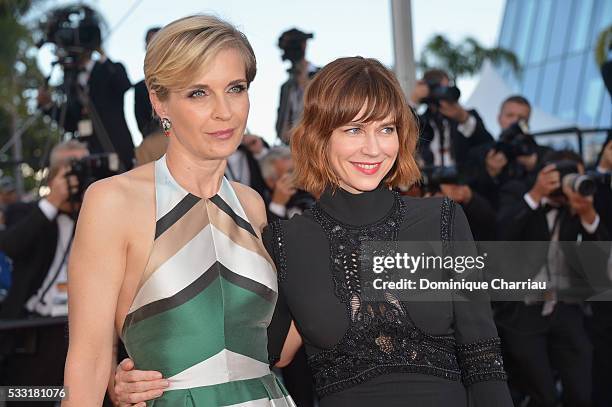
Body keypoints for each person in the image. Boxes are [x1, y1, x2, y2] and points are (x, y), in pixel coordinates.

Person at [116, 57, 511, 407]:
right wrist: (136, 377)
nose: (373, 149)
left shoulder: (441, 218)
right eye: (354, 130)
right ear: (320, 137)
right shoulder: (286, 241)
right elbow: (255, 353)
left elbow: (483, 356)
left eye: (386, 129)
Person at [62, 15, 294, 406]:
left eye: (235, 88)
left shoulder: (252, 203)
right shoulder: (112, 201)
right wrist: (114, 388)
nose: (225, 112)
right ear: (159, 101)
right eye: (198, 93)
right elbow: (88, 359)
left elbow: (277, 349)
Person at [496, 149, 610, 407]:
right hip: (523, 310)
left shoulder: (580, 202)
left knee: (581, 393)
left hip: (566, 308)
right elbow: (500, 237)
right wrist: (536, 195)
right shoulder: (519, 193)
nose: (574, 184)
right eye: (568, 177)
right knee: (543, 397)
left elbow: (601, 265)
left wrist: (588, 216)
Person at [0, 140, 88, 406]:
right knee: (27, 398)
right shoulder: (27, 212)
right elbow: (11, 246)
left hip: (83, 331)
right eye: (72, 168)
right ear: (52, 175)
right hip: (35, 334)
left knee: (82, 397)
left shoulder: (98, 215)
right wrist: (53, 201)